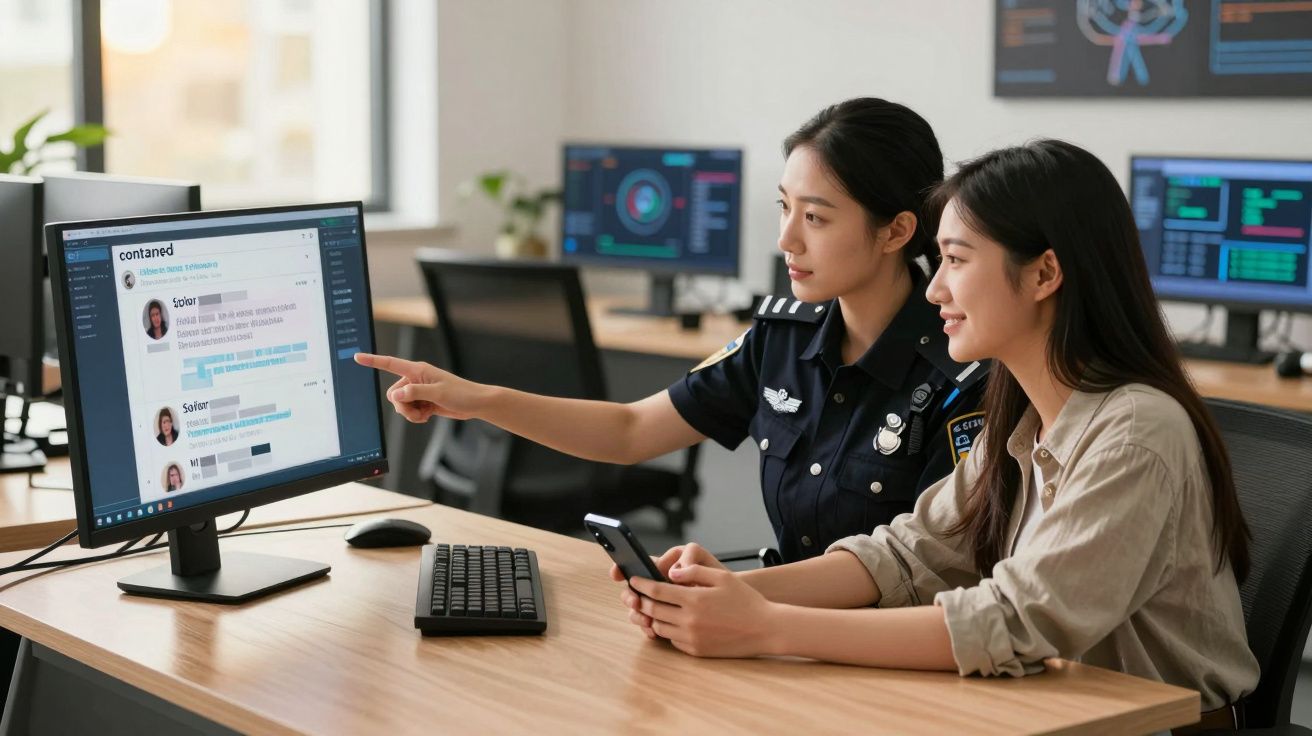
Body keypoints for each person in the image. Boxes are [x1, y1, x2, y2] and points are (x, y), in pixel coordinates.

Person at [614, 140, 1258, 719]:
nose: (935, 290)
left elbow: (1015, 620)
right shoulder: (1026, 416)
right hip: (1043, 710)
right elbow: (908, 553)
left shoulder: (1135, 434)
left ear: (1043, 274)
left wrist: (765, 626)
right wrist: (720, 597)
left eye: (955, 260)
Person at [356, 97, 988, 561]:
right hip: (774, 631)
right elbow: (632, 430)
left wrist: (741, 596)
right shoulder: (782, 338)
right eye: (784, 207)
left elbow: (929, 576)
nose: (786, 239)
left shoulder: (963, 377)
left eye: (816, 218)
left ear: (897, 231)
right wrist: (475, 398)